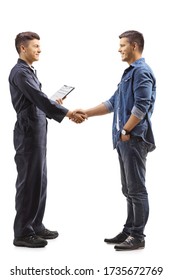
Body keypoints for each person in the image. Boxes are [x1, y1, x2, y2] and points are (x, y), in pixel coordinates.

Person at [77, 30, 156, 250]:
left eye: (122, 45)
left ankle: (137, 237)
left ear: (135, 46)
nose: (119, 49)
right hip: (124, 140)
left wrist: (125, 130)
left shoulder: (142, 72)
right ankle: (129, 230)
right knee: (128, 189)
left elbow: (142, 106)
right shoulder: (128, 73)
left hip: (134, 138)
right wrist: (86, 112)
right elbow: (113, 103)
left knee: (137, 189)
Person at [9, 31, 86, 248]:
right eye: (35, 46)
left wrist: (54, 103)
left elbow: (36, 102)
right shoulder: (20, 72)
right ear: (23, 48)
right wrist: (67, 111)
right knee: (28, 181)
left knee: (40, 180)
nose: (39, 50)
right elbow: (38, 99)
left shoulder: (29, 71)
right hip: (28, 133)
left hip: (37, 131)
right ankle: (23, 233)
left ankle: (35, 224)